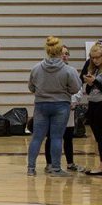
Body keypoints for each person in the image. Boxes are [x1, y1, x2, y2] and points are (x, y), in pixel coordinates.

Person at [27, 36, 81, 177]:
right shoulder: (69, 70)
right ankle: (56, 169)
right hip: (61, 105)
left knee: (37, 137)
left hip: (41, 105)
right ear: (59, 51)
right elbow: (76, 88)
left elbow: (31, 87)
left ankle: (31, 168)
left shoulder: (36, 68)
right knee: (57, 137)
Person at [45, 45, 81, 172]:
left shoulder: (72, 70)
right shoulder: (50, 71)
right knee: (52, 136)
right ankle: (50, 163)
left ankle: (70, 163)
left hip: (68, 109)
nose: (65, 56)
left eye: (67, 53)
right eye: (62, 53)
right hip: (54, 108)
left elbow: (78, 89)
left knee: (68, 137)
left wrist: (74, 101)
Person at [81, 43, 102, 176]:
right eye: (92, 58)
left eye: (97, 57)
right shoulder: (93, 69)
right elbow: (89, 90)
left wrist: (95, 82)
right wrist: (90, 83)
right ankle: (100, 163)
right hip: (93, 105)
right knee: (98, 137)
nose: (95, 60)